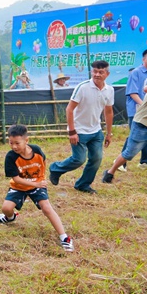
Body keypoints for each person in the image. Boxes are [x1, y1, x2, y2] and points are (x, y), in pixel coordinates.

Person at [0, 124, 74, 252]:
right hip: (19, 186)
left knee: (47, 208)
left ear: (26, 141)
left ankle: (64, 237)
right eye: (11, 143)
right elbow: (16, 179)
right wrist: (35, 184)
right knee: (6, 208)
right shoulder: (10, 157)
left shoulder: (37, 151)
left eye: (17, 143)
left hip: (37, 184)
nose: (14, 146)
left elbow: (43, 163)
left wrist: (40, 181)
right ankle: (10, 218)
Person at [48, 60, 114, 194]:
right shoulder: (83, 87)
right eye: (95, 71)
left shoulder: (109, 90)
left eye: (101, 72)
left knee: (96, 158)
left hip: (96, 131)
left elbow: (108, 112)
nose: (97, 74)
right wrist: (72, 132)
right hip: (79, 131)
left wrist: (108, 133)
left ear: (107, 74)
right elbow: (69, 109)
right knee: (79, 159)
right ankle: (55, 169)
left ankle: (83, 184)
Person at [117, 49, 147, 172]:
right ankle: (120, 163)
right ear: (143, 59)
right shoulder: (136, 73)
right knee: (134, 136)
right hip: (137, 110)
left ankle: (145, 162)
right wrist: (143, 105)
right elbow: (132, 93)